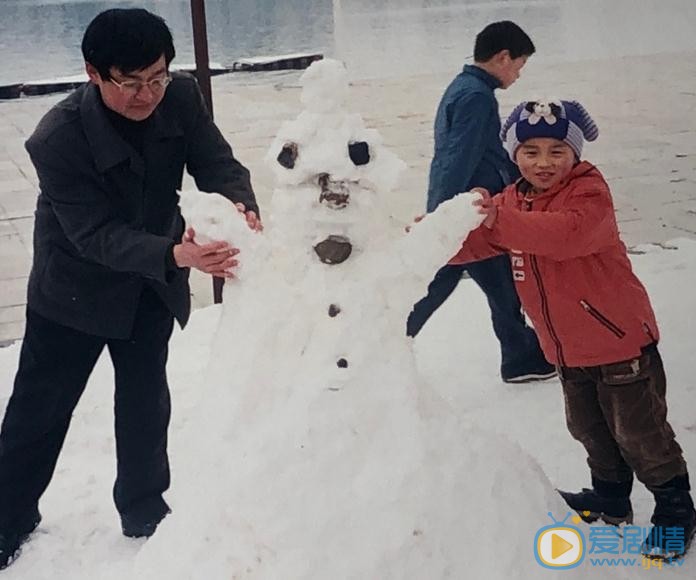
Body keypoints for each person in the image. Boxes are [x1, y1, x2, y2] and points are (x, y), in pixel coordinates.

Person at [0, 8, 260, 569]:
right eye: (131, 83)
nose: (148, 95)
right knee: (40, 409)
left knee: (145, 398)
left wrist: (239, 211)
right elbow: (92, 235)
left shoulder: (181, 99)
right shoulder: (56, 138)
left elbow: (218, 165)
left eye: (158, 77)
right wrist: (175, 253)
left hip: (150, 285)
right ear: (94, 73)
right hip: (73, 287)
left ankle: (143, 507)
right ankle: (8, 517)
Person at [454, 98, 695, 559]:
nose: (543, 162)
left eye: (556, 151)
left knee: (640, 431)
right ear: (514, 154)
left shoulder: (589, 194)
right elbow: (476, 239)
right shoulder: (512, 199)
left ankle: (674, 506)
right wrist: (425, 238)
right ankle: (610, 495)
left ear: (575, 154)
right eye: (531, 152)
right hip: (565, 347)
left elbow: (566, 235)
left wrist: (499, 219)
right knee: (588, 427)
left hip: (618, 339)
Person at [407, 20, 555, 384]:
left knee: (499, 282)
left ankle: (521, 357)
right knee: (437, 283)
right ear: (503, 57)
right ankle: (382, 343)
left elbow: (477, 152)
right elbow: (457, 156)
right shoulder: (475, 96)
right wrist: (441, 216)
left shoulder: (466, 87)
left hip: (474, 209)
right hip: (468, 211)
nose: (518, 75)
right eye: (519, 65)